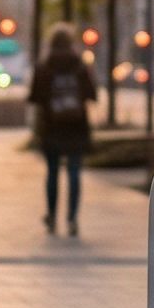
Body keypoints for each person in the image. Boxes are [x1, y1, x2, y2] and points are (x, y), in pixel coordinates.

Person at [29, 23, 98, 238]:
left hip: (51, 125)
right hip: (76, 126)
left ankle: (51, 216)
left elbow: (35, 97)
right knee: (74, 171)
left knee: (52, 172)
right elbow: (92, 94)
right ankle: (72, 218)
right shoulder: (79, 65)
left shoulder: (44, 66)